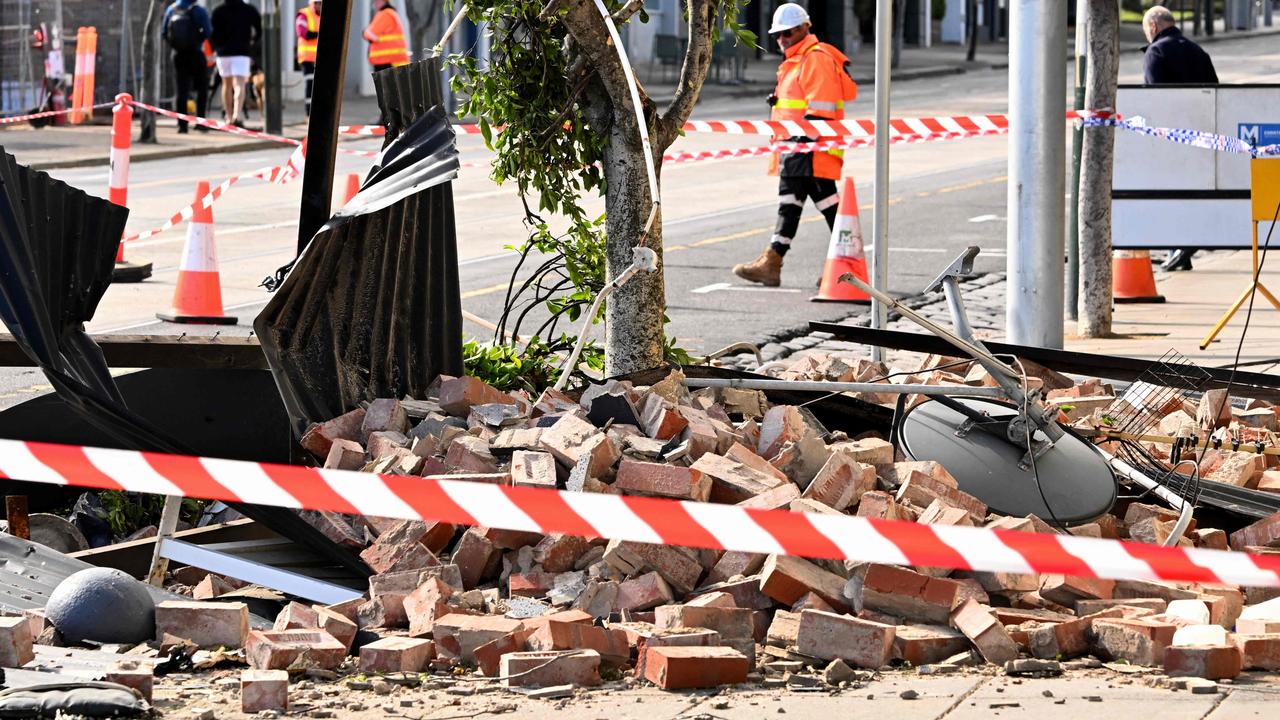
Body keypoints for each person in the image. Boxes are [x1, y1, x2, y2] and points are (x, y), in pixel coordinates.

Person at [733, 3, 856, 287]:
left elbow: (820, 107)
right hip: (799, 149)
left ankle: (846, 266)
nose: (782, 39)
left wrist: (802, 144)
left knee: (824, 206)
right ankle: (774, 263)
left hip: (811, 149)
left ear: (805, 28)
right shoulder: (796, 60)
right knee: (794, 204)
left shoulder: (816, 58)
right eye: (778, 34)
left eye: (788, 33)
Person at [1143, 5, 1219, 272]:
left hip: (1172, 135)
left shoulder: (1156, 52)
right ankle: (1181, 251)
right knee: (1190, 189)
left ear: (1153, 27)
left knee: (1167, 192)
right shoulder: (1197, 50)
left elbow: (1157, 100)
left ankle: (1178, 246)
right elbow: (1216, 92)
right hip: (1202, 133)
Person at [163, 0, 213, 134]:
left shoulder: (171, 10)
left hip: (178, 55)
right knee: (202, 88)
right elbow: (208, 32)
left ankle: (182, 125)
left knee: (181, 91)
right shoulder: (199, 11)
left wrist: (176, 45)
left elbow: (164, 34)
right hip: (196, 53)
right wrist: (198, 40)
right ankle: (200, 122)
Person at [211, 0, 261, 128]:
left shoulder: (218, 11)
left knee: (226, 85)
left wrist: (216, 48)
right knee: (239, 85)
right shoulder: (249, 9)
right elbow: (259, 30)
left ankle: (228, 116)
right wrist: (252, 45)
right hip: (242, 52)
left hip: (223, 53)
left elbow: (212, 33)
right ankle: (236, 116)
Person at [296, 0, 322, 117]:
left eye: (321, 3)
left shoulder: (322, 15)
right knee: (310, 84)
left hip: (319, 57)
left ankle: (317, 113)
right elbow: (302, 32)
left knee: (319, 86)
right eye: (317, 3)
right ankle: (309, 113)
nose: (319, 5)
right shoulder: (304, 14)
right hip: (307, 58)